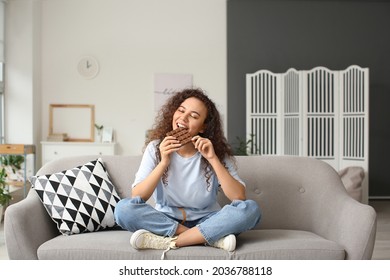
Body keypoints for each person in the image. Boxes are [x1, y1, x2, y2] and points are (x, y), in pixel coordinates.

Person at [114, 88, 261, 259]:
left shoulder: (215, 151)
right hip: (165, 220)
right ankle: (206, 238)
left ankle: (171, 241)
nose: (183, 118)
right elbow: (138, 196)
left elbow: (239, 196)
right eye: (181, 111)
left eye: (194, 116)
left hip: (208, 220)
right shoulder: (155, 148)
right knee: (123, 209)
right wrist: (163, 162)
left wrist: (213, 158)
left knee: (251, 209)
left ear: (203, 127)